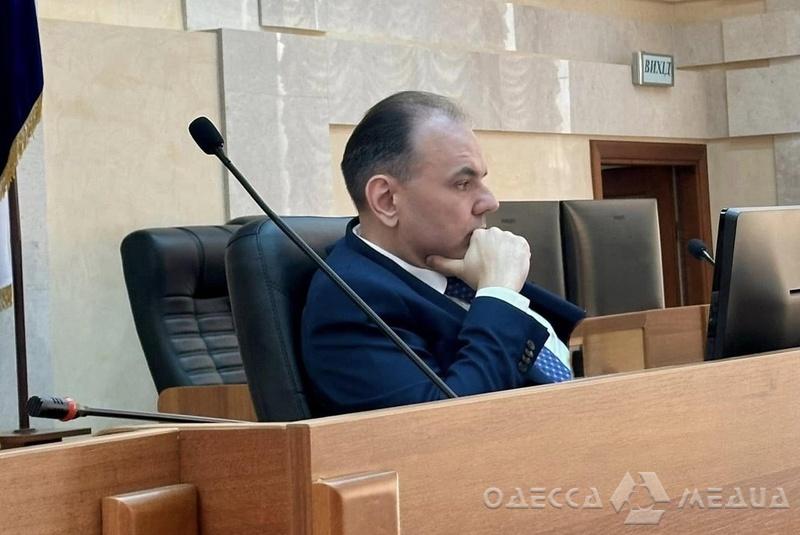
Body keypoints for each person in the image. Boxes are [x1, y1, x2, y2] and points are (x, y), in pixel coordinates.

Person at [301, 91, 585, 416]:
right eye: (463, 183)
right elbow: (446, 425)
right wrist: (501, 295)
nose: (490, 202)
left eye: (481, 181)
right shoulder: (349, 303)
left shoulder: (456, 267)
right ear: (386, 200)